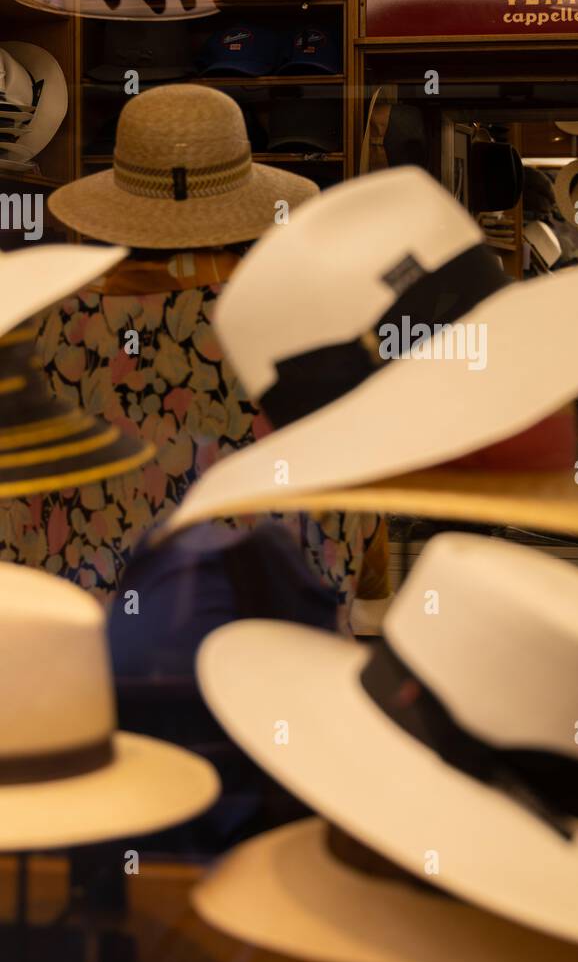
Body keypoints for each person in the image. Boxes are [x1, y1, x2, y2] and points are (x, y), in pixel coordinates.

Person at [0, 85, 382, 635]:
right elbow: (361, 506)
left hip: (83, 659)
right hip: (274, 655)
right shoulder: (313, 326)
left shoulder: (37, 326)